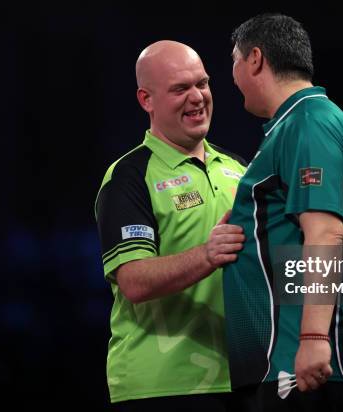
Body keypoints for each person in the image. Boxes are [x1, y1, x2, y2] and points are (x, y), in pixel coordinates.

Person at [223, 14, 343, 411]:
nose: (232, 75)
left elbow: (325, 234)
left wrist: (313, 339)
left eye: (234, 61)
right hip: (294, 362)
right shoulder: (306, 122)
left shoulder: (307, 122)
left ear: (255, 59)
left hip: (297, 364)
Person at [94, 40, 247, 411]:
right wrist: (208, 255)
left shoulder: (240, 169)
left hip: (242, 379)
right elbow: (133, 280)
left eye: (203, 84)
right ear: (146, 100)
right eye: (181, 89)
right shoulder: (129, 177)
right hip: (161, 386)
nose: (197, 97)